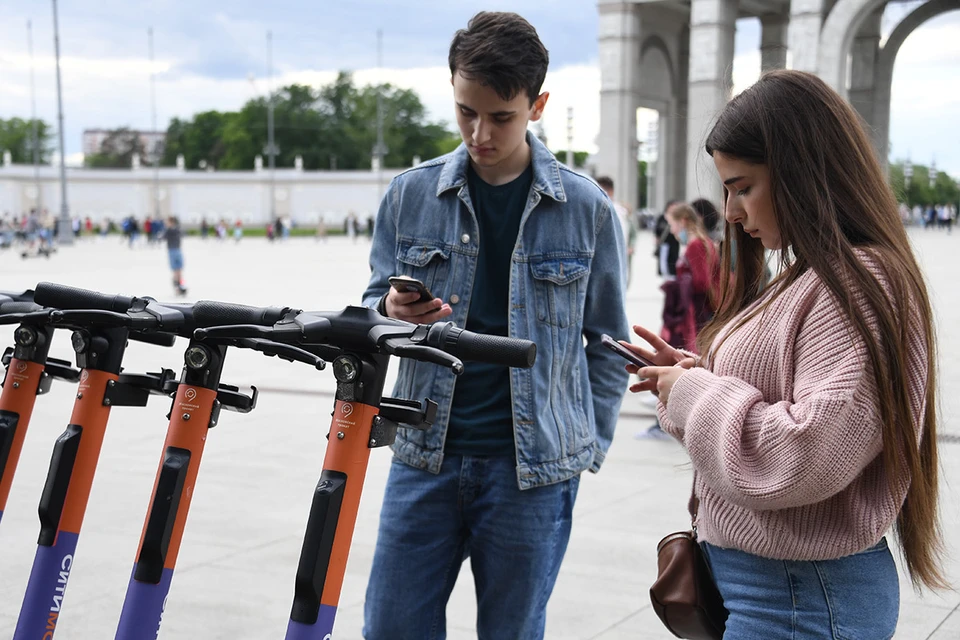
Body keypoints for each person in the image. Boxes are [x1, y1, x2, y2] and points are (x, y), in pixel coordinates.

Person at [623, 69, 947, 638]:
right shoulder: (817, 276)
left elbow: (808, 452)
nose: (730, 212)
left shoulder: (859, 282)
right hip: (783, 589)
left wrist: (697, 395)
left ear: (805, 172)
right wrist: (694, 378)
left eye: (742, 186)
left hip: (799, 596)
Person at [360, 12, 629, 639]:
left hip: (531, 474)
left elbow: (609, 343)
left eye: (500, 117)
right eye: (465, 112)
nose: (480, 133)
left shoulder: (586, 208)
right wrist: (389, 313)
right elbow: (371, 305)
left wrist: (587, 446)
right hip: (423, 457)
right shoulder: (410, 195)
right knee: (391, 628)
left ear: (537, 105)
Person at [660, 202, 719, 351]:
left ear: (683, 221)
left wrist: (676, 285)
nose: (672, 231)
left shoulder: (695, 245)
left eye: (672, 224)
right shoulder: (704, 242)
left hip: (697, 311)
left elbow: (702, 282)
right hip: (702, 308)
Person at [596, 175, 636, 287]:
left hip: (614, 264)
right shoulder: (604, 209)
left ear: (611, 191)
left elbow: (626, 235)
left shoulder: (617, 212)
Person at [164, 216, 187, 296]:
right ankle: (179, 287)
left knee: (177, 271)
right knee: (177, 271)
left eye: (167, 222)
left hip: (174, 251)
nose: (166, 223)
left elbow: (163, 237)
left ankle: (179, 287)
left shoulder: (171, 230)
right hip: (175, 250)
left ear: (171, 222)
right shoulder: (175, 229)